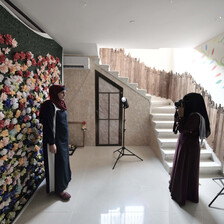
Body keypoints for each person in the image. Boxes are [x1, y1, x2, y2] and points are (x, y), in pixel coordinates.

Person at [169, 92, 210, 206]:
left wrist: (181, 116)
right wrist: (179, 115)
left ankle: (183, 194)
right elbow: (179, 127)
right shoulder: (191, 114)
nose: (185, 104)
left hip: (189, 147)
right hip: (184, 143)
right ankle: (178, 190)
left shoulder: (196, 116)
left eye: (187, 102)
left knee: (185, 169)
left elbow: (183, 128)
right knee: (181, 168)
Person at [40, 84, 71, 201]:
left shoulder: (61, 104)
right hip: (54, 141)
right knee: (57, 163)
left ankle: (63, 182)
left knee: (63, 162)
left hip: (63, 140)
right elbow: (48, 125)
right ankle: (59, 189)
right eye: (62, 93)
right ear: (55, 93)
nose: (64, 95)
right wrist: (52, 143)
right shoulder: (50, 105)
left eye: (65, 92)